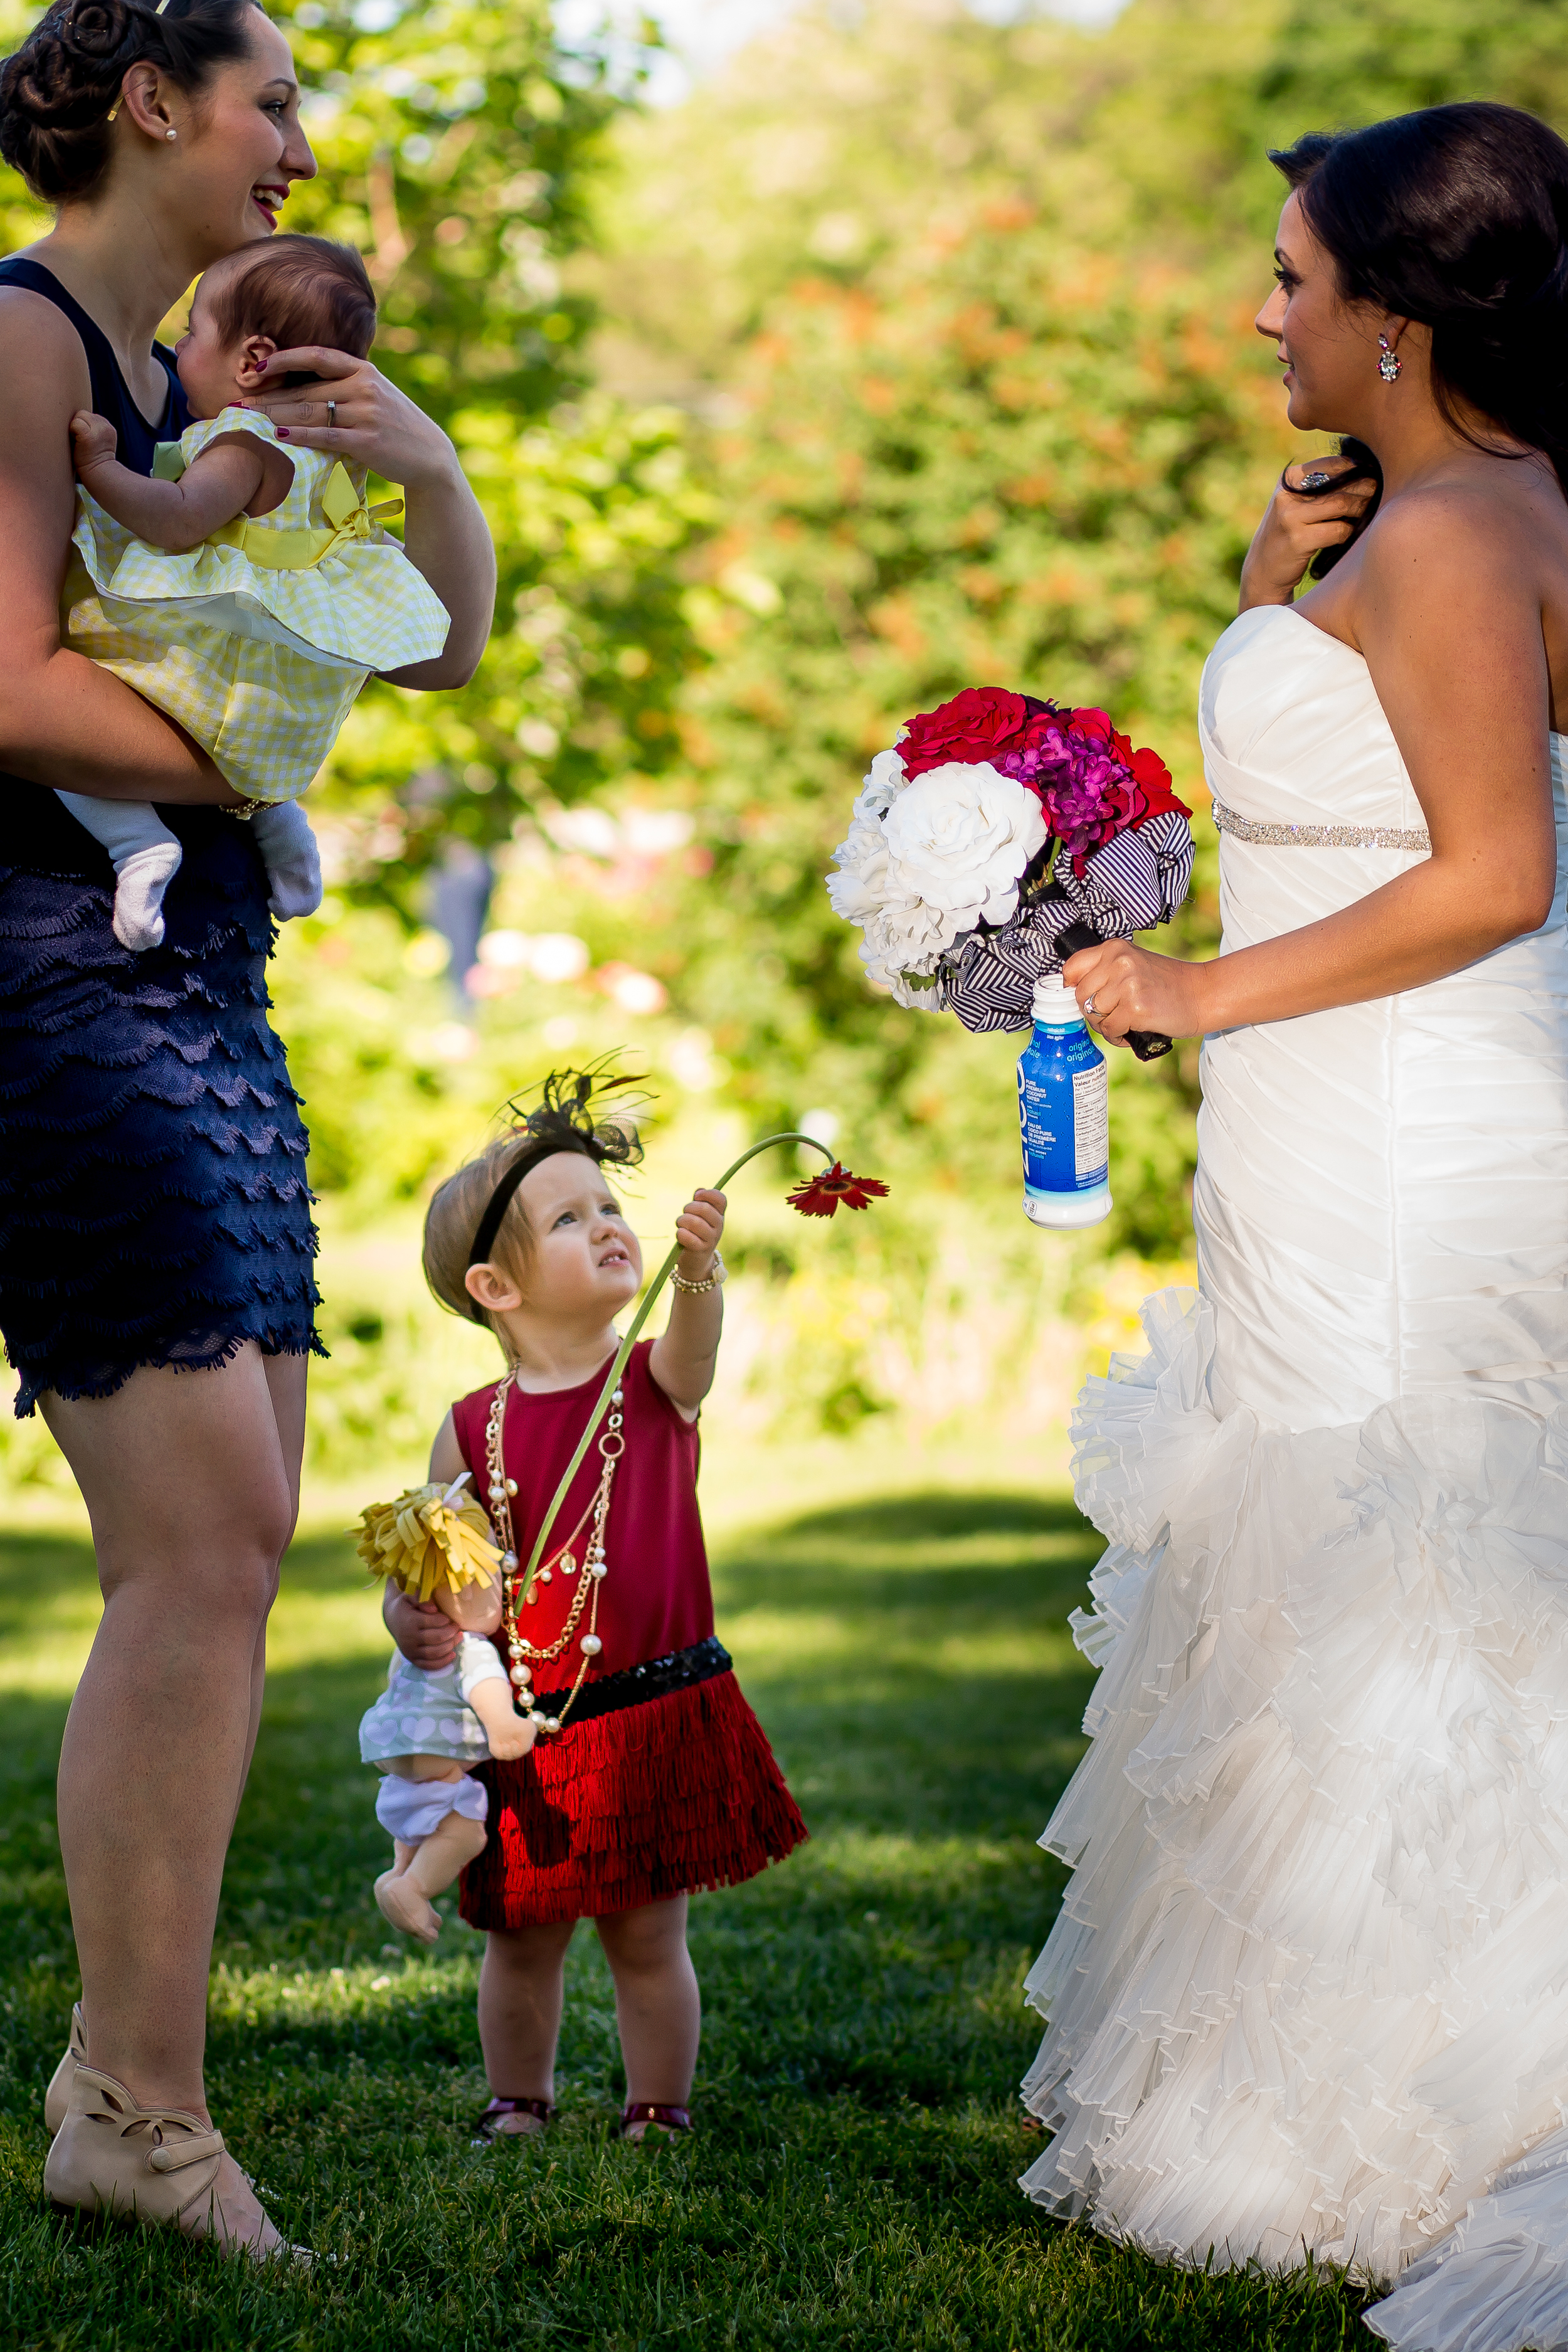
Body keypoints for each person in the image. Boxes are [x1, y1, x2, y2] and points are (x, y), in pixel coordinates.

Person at [1027, 102, 1568, 2351]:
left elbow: (1492, 870)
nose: (1266, 309)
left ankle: (1410, 2105)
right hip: (1342, 1111)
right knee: (1341, 1538)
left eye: (1292, 277)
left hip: (1405, 1119)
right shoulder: (1438, 515)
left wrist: (1181, 985)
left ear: (1397, 316)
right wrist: (1276, 573)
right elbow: (1340, 773)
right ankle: (1305, 2065)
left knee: (1406, 1558)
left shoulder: (1458, 536)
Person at [0, 0, 495, 2256]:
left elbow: (432, 644)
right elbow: (5, 685)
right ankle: (144, 2111)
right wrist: (271, 752)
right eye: (276, 95)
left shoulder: (183, 385)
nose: (301, 142)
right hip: (55, 960)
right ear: (153, 101)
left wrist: (429, 486)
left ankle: (129, 2079)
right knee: (197, 1538)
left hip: (190, 960)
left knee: (246, 1518)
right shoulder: (25, 342)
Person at [384, 1072, 807, 2145]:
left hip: (652, 1711)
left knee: (645, 1938)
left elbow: (697, 1352)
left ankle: (656, 2106)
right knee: (521, 1939)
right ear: (497, 1287)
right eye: (568, 1218)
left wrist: (699, 1274)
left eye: (609, 1207)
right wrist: (413, 1619)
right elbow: (437, 1582)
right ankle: (517, 2100)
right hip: (531, 1727)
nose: (608, 1225)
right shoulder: (467, 1430)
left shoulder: (652, 1382)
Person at [60, 230, 447, 950]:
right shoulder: (328, 460)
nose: (178, 347)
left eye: (192, 330)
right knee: (244, 762)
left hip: (203, 665)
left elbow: (178, 523)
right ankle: (278, 816)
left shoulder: (241, 439)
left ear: (252, 360)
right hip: (270, 692)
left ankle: (136, 844)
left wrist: (102, 468)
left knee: (68, 702)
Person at [354, 1471, 536, 1942]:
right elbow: (486, 1687)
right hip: (439, 1758)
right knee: (465, 1833)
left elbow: (396, 1684)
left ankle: (396, 1874)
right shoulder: (467, 1646)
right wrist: (504, 1729)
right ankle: (410, 1889)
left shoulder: (415, 1645)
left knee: (420, 1823)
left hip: (394, 1761)